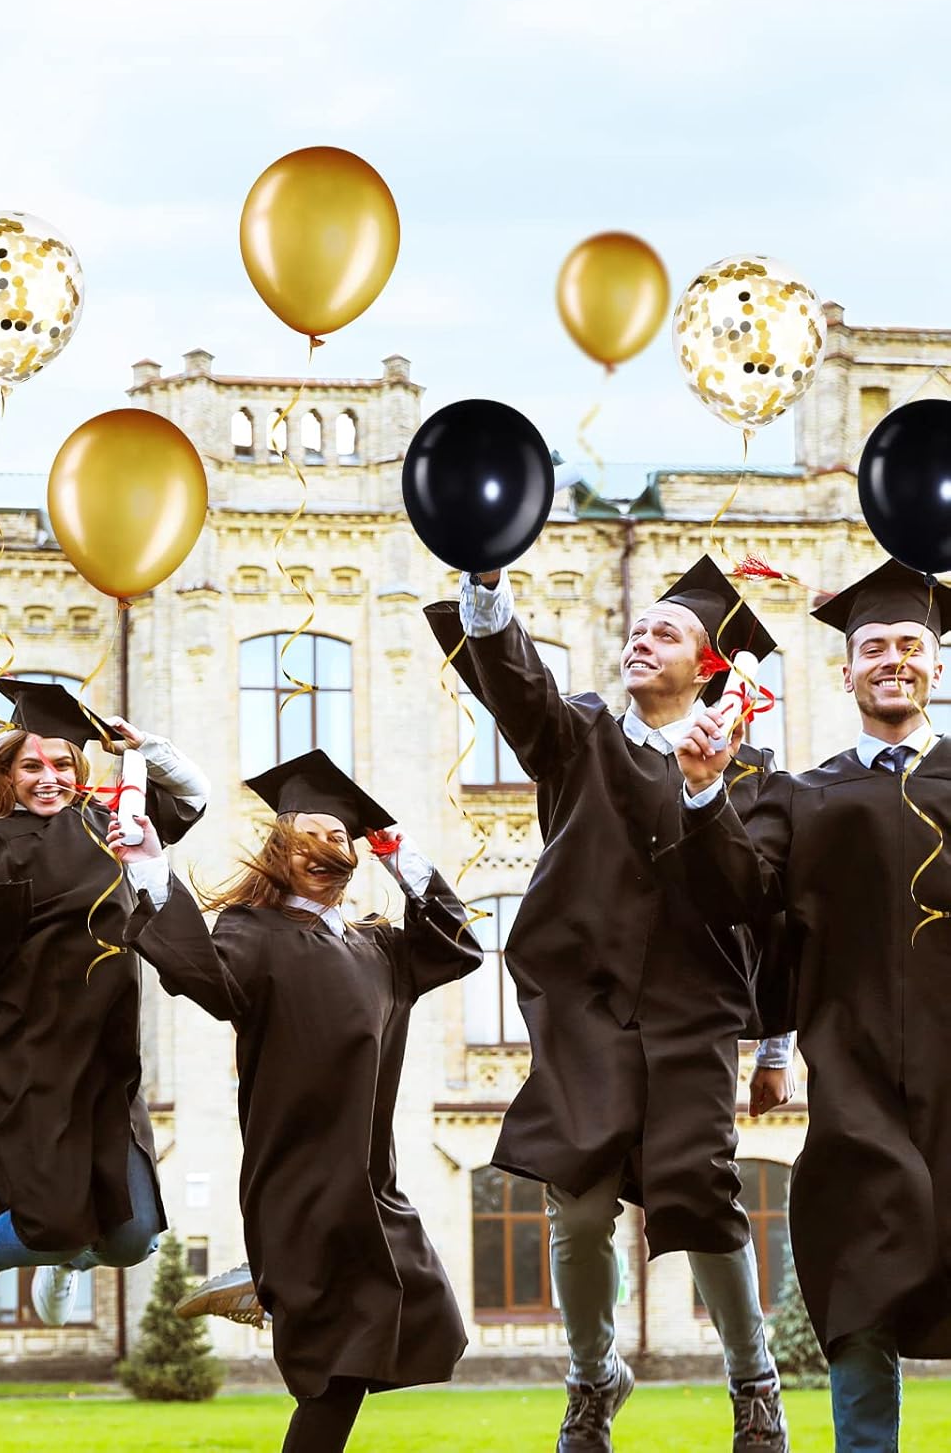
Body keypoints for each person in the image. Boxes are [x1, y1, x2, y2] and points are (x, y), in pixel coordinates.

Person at [424, 554, 791, 1453]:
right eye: (637, 628)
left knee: (701, 1197)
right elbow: (516, 685)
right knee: (579, 1206)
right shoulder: (578, 735)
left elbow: (759, 907)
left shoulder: (752, 775)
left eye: (666, 632)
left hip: (692, 1010)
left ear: (708, 667)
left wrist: (777, 1046)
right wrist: (486, 580)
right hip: (584, 1009)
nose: (641, 639)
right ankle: (593, 1378)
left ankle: (754, 1380)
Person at [111, 748, 480, 1453]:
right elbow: (203, 977)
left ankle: (269, 1286)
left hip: (370, 1182)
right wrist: (150, 867)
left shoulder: (382, 948)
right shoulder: (253, 933)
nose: (322, 847)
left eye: (338, 836)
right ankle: (274, 1282)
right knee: (337, 1364)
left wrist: (401, 856)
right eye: (305, 836)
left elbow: (458, 947)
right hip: (301, 1182)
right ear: (279, 853)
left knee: (423, 1317)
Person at [676, 557, 951, 1453]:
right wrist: (707, 790)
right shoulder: (802, 795)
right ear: (846, 671)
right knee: (857, 1277)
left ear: (936, 664)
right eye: (874, 647)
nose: (893, 659)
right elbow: (735, 894)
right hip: (856, 1078)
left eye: (910, 644)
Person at [0, 679, 208, 1339]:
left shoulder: (111, 825)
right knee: (52, 1222)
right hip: (24, 1057)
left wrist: (150, 749)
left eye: (62, 764)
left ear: (80, 769)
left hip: (105, 1060)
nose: (48, 778)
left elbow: (193, 799)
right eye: (31, 765)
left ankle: (67, 1258)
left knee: (133, 1236)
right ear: (7, 773)